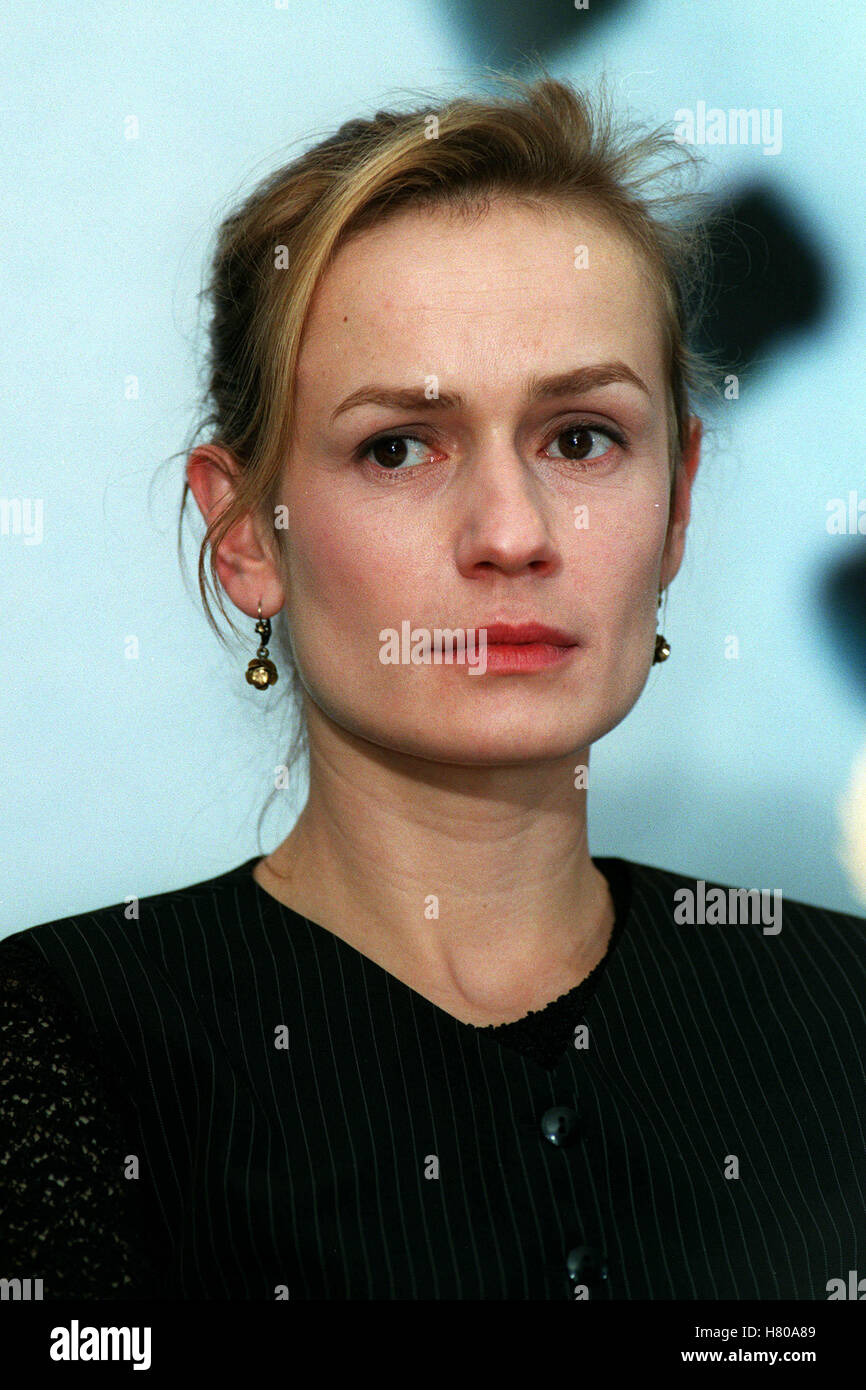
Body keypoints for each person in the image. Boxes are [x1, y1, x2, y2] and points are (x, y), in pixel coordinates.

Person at [1, 72, 863, 1302]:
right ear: (245, 532)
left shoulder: (840, 1007)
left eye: (580, 437)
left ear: (674, 506)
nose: (511, 534)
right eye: (397, 447)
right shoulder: (62, 1050)